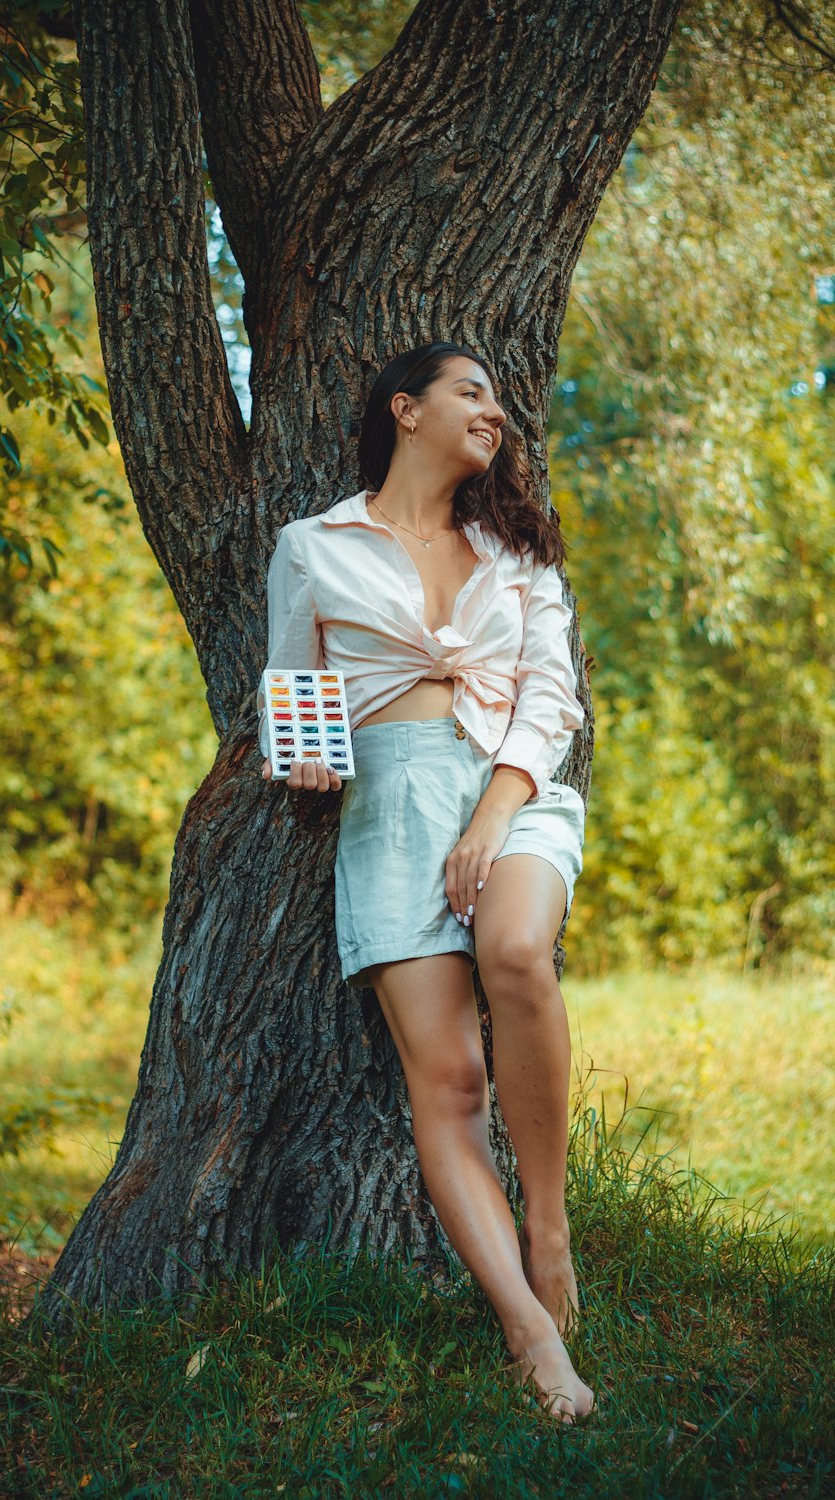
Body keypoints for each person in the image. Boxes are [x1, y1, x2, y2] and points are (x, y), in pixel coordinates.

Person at [255, 342, 594, 1424]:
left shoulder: (520, 551)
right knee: (447, 1084)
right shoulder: (312, 546)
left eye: (497, 398)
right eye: (472, 393)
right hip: (391, 809)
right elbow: (288, 690)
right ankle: (529, 1332)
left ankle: (547, 1224)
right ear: (406, 411)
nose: (494, 413)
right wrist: (302, 749)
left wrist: (493, 817)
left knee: (514, 952)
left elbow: (551, 697)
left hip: (514, 787)